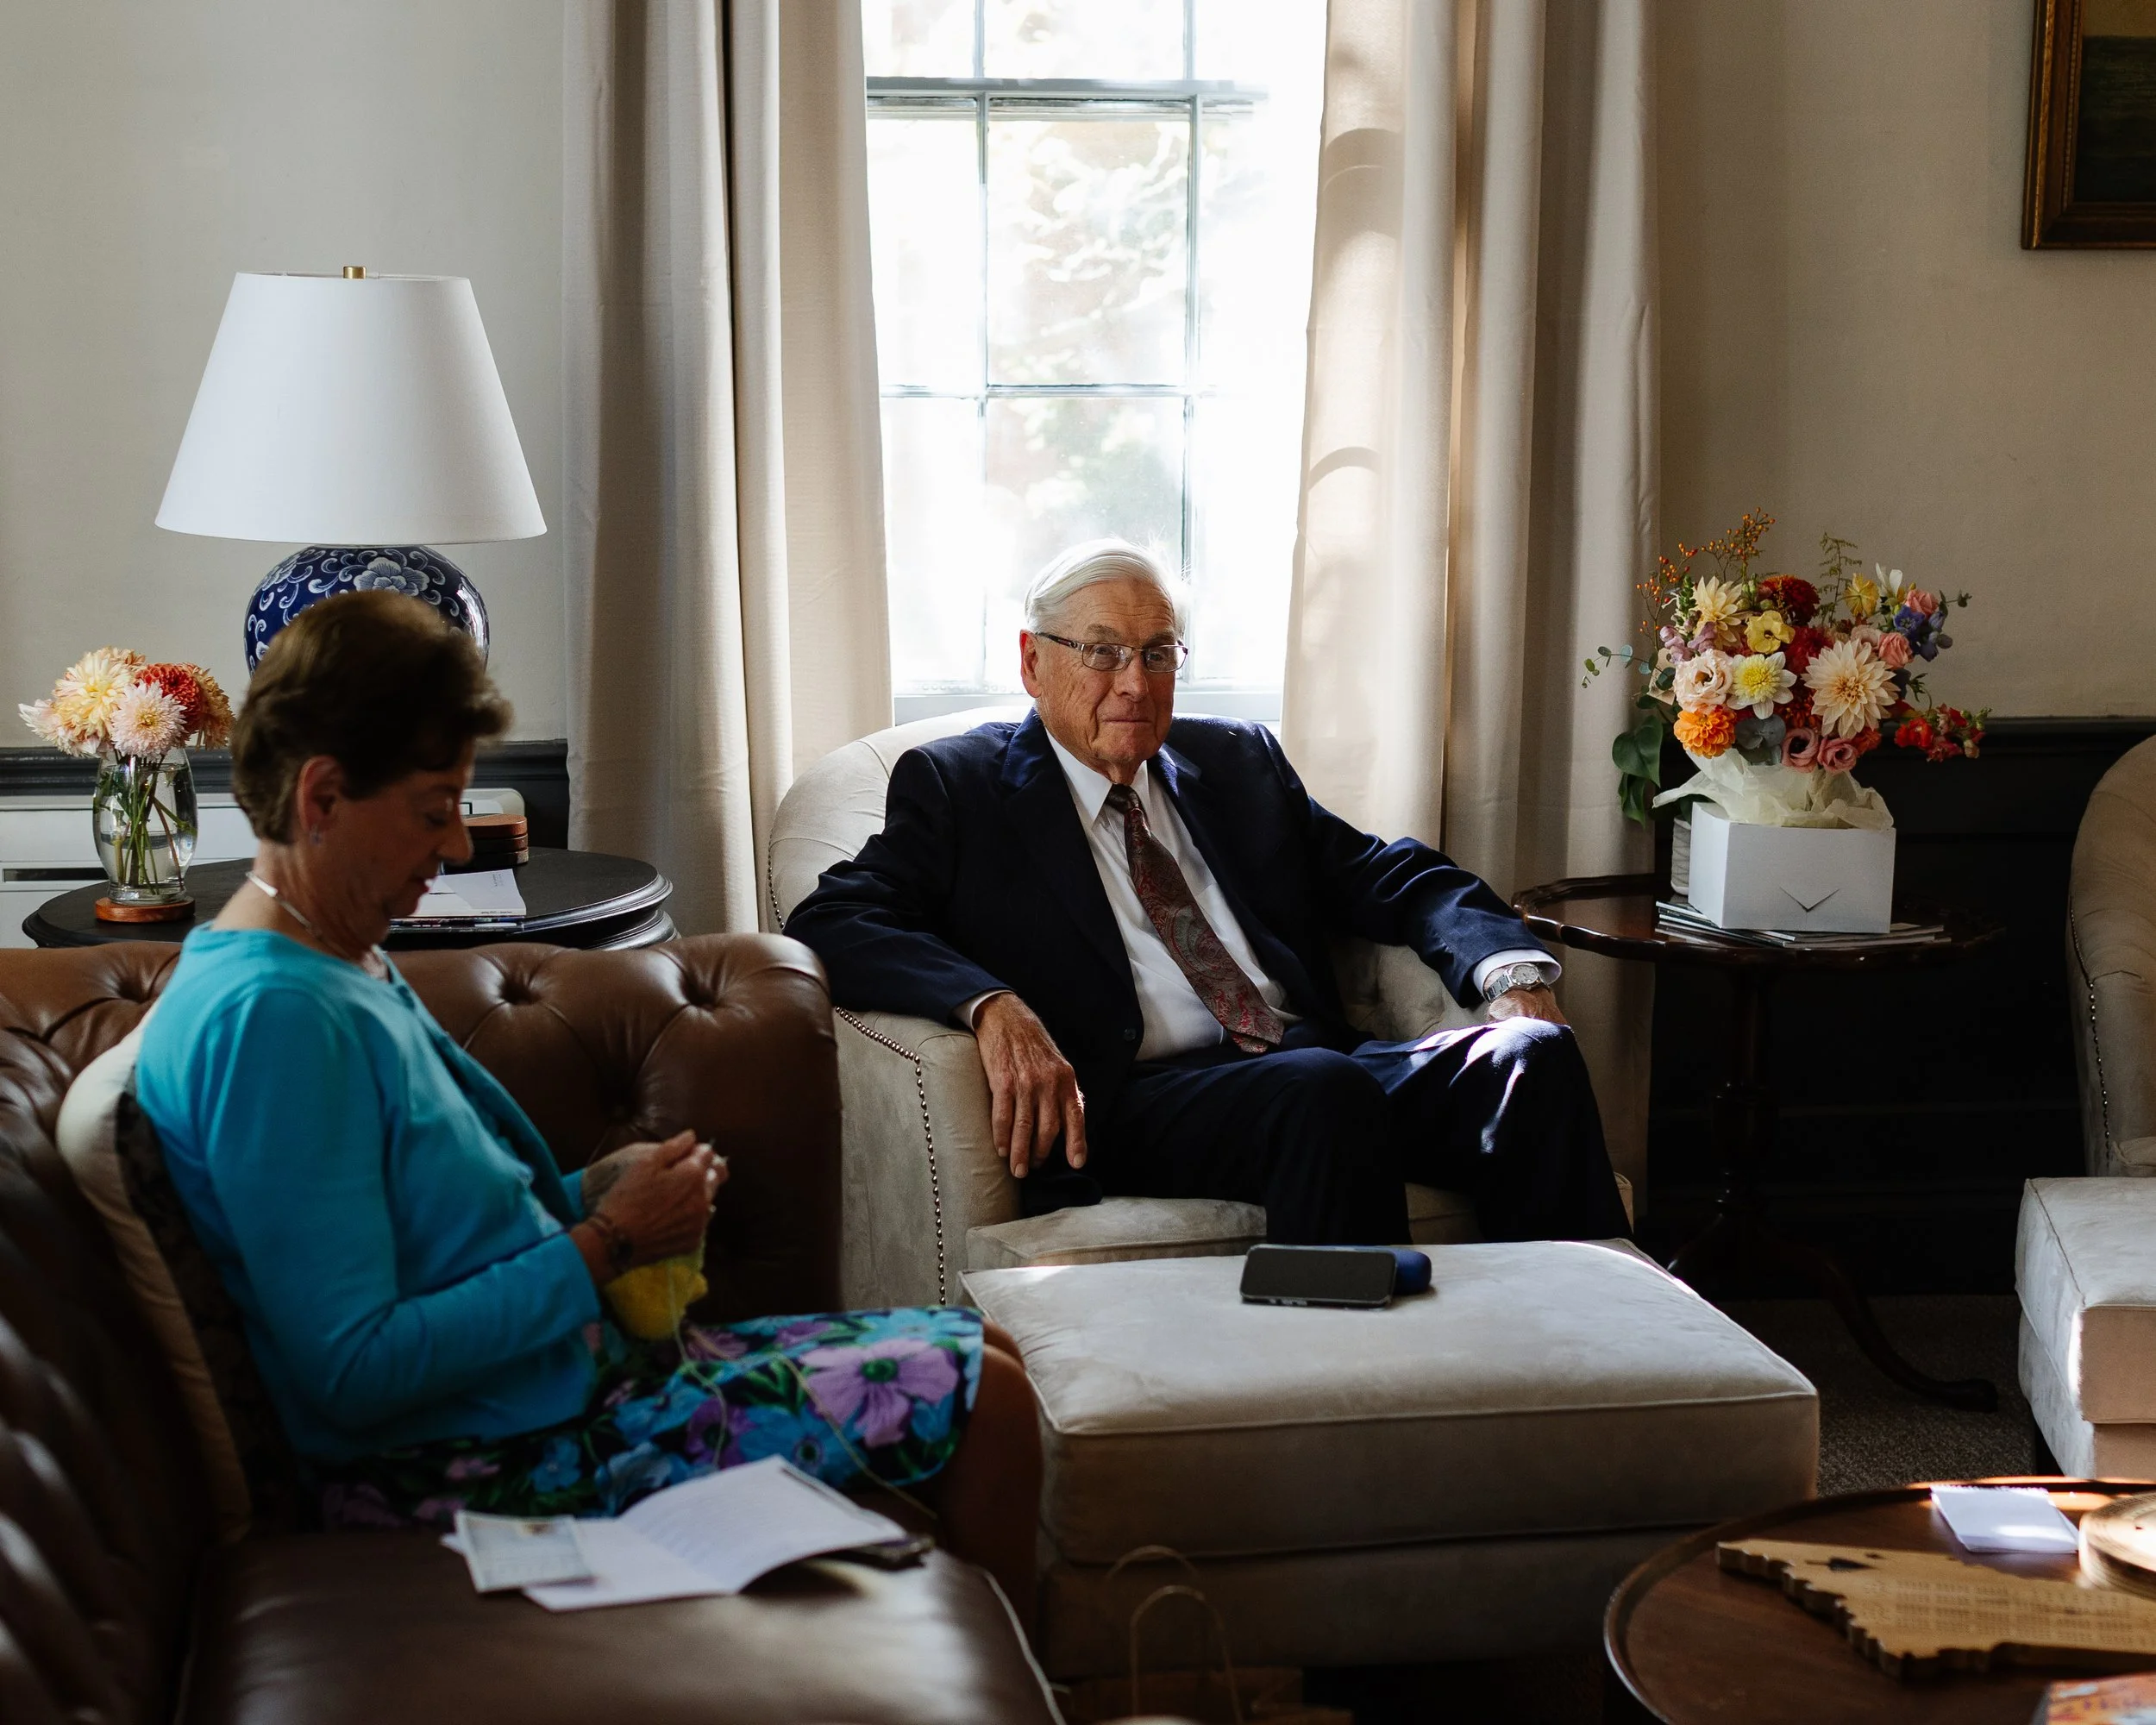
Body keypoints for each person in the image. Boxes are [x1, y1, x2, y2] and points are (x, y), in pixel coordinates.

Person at [134, 592, 1039, 1613]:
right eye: (433, 809)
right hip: (474, 1460)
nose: (457, 846)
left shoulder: (335, 960)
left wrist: (593, 1191)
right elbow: (350, 1367)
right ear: (324, 795)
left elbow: (434, 1232)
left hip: (548, 1396)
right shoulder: (276, 1019)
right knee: (991, 1396)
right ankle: (1018, 1682)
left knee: (990, 1349)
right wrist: (608, 1240)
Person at [785, 540, 1630, 1246]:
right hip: (1137, 1100)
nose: (1134, 682)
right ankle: (1352, 1372)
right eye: (1103, 652)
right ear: (1033, 662)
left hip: (1310, 1071)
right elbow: (831, 917)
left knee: (1533, 1058)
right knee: (1318, 1089)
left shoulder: (1235, 762)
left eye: (1157, 654)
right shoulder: (960, 788)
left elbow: (1391, 873)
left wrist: (1509, 972)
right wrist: (988, 1003)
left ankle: (1586, 1354)